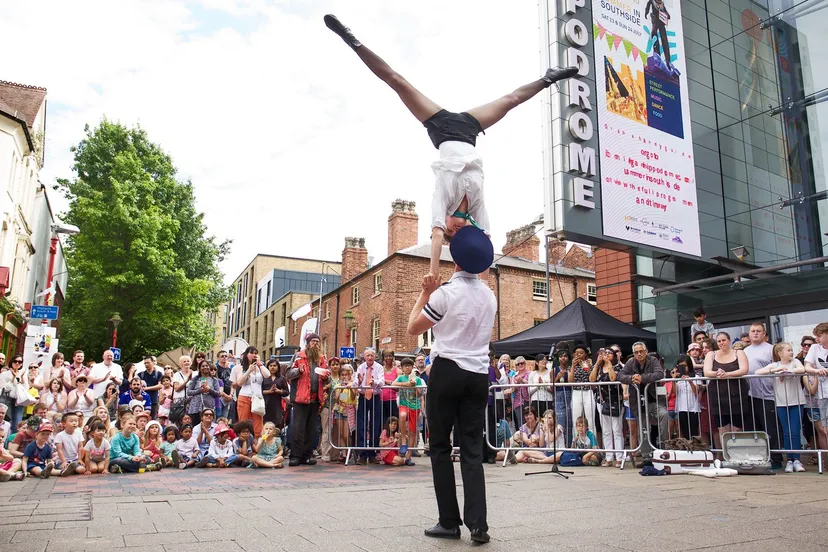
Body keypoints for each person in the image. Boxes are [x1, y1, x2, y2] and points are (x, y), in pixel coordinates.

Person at [323, 14, 577, 280]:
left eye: (449, 231)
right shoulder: (478, 207)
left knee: (397, 81)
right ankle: (549, 79)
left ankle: (352, 41)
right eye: (458, 231)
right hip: (469, 130)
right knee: (511, 100)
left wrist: (433, 274)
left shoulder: (440, 202)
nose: (454, 229)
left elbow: (435, 236)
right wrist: (479, 277)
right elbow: (485, 242)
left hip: (440, 126)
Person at [406, 225, 496, 544]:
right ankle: (478, 524)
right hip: (478, 373)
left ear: (454, 260)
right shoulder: (490, 296)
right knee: (472, 449)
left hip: (447, 369)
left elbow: (412, 328)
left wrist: (425, 291)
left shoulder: (445, 293)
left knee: (441, 447)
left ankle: (449, 521)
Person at [755, 342, 806, 473]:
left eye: (791, 350)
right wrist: (775, 370)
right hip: (781, 403)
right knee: (786, 432)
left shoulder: (795, 362)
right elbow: (758, 371)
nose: (791, 352)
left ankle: (797, 459)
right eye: (788, 350)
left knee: (795, 431)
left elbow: (802, 369)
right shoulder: (775, 365)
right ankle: (789, 459)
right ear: (780, 353)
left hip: (796, 402)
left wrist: (788, 371)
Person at [743, 322, 783, 469]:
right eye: (752, 331)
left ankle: (776, 459)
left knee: (771, 428)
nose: (755, 333)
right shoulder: (745, 350)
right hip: (750, 394)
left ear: (764, 334)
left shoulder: (771, 349)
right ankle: (758, 457)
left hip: (768, 395)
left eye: (758, 331)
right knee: (754, 427)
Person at [285, 334, 329, 467]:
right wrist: (298, 370)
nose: (315, 344)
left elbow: (327, 376)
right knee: (298, 428)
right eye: (313, 342)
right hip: (300, 398)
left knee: (312, 429)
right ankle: (295, 456)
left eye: (317, 342)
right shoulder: (298, 356)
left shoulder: (322, 359)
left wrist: (326, 376)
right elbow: (288, 374)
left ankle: (307, 455)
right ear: (308, 343)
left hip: (315, 399)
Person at [617, 342, 667, 455]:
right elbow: (620, 376)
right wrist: (631, 378)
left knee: (664, 414)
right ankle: (646, 456)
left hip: (654, 399)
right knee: (643, 429)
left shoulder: (653, 360)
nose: (639, 354)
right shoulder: (630, 362)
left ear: (646, 351)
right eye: (636, 352)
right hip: (638, 402)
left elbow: (659, 374)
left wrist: (642, 378)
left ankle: (664, 445)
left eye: (641, 351)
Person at [703, 331, 749, 452]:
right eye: (719, 341)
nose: (721, 343)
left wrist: (727, 374)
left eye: (723, 340)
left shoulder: (739, 352)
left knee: (737, 428)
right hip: (718, 397)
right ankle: (727, 455)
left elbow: (744, 369)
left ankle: (738, 454)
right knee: (723, 429)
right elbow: (707, 372)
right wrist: (718, 373)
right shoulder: (711, 354)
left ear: (729, 340)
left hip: (737, 396)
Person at [592, 349, 624, 467]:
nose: (606, 355)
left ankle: (619, 457)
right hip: (602, 401)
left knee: (616, 429)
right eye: (603, 353)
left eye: (609, 353)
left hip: (615, 401)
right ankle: (609, 457)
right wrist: (597, 364)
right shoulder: (599, 368)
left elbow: (612, 378)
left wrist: (609, 364)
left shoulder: (617, 367)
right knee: (606, 430)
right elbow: (592, 379)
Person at [231, 347, 269, 438]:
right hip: (244, 397)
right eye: (251, 353)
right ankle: (244, 444)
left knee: (258, 424)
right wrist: (249, 370)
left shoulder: (259, 367)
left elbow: (267, 375)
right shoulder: (239, 367)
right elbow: (239, 383)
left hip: (257, 398)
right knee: (244, 423)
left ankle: (256, 445)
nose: (254, 355)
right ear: (246, 354)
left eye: (256, 353)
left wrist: (260, 364)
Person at [394, 358, 424, 465]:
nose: (407, 368)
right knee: (402, 415)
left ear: (412, 367)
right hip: (404, 405)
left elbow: (419, 394)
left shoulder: (418, 379)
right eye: (405, 366)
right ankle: (403, 440)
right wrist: (406, 384)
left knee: (412, 431)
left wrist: (414, 385)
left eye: (409, 365)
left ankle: (409, 456)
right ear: (402, 368)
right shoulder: (401, 377)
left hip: (414, 406)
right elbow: (393, 384)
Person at [569, 345, 596, 440]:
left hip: (588, 391)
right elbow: (570, 381)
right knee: (575, 419)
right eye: (577, 353)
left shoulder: (590, 365)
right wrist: (573, 366)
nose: (579, 355)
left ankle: (592, 444)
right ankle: (576, 444)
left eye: (581, 353)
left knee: (590, 419)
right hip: (576, 392)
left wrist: (587, 367)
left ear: (585, 355)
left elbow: (592, 378)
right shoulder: (572, 366)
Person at [332, 364, 357, 462]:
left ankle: (349, 450)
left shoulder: (352, 385)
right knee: (341, 433)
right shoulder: (338, 385)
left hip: (349, 410)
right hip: (339, 409)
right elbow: (338, 399)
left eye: (346, 375)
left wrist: (350, 389)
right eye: (342, 375)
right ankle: (344, 453)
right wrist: (342, 389)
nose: (344, 377)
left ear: (349, 376)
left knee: (347, 434)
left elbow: (352, 398)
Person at [672, 355, 701, 439]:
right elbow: (675, 392)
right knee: (684, 432)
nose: (683, 368)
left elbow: (696, 391)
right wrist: (673, 380)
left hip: (693, 408)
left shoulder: (696, 377)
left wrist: (690, 381)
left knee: (694, 432)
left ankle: (695, 449)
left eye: (685, 365)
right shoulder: (678, 378)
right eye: (680, 366)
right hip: (681, 408)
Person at [187, 361, 220, 427]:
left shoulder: (214, 380)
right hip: (195, 408)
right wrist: (199, 391)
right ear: (199, 368)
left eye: (206, 366)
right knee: (195, 427)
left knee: (208, 427)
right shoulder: (195, 379)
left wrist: (209, 390)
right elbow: (189, 392)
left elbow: (218, 394)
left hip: (209, 408)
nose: (205, 367)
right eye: (203, 366)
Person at [54, 412, 85, 476]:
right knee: (63, 467)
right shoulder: (60, 435)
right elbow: (59, 450)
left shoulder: (79, 433)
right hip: (62, 460)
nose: (74, 423)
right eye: (71, 421)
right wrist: (63, 461)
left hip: (74, 460)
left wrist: (79, 459)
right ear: (64, 424)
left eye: (76, 421)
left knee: (82, 470)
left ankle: (71, 469)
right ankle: (66, 469)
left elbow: (80, 447)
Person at [0, 355, 27, 427]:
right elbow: (4, 389)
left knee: (17, 425)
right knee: (5, 422)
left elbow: (26, 389)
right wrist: (13, 378)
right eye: (15, 361)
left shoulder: (23, 374)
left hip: (19, 401)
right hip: (7, 400)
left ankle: (13, 438)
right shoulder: (4, 374)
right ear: (11, 362)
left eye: (20, 362)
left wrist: (22, 378)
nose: (17, 363)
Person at [262, 359, 288, 429]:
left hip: (276, 406)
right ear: (267, 367)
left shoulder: (282, 379)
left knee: (275, 426)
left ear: (278, 367)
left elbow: (286, 392)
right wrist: (269, 391)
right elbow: (258, 391)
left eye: (274, 366)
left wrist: (279, 391)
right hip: (264, 405)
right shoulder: (263, 378)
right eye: (270, 366)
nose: (272, 367)